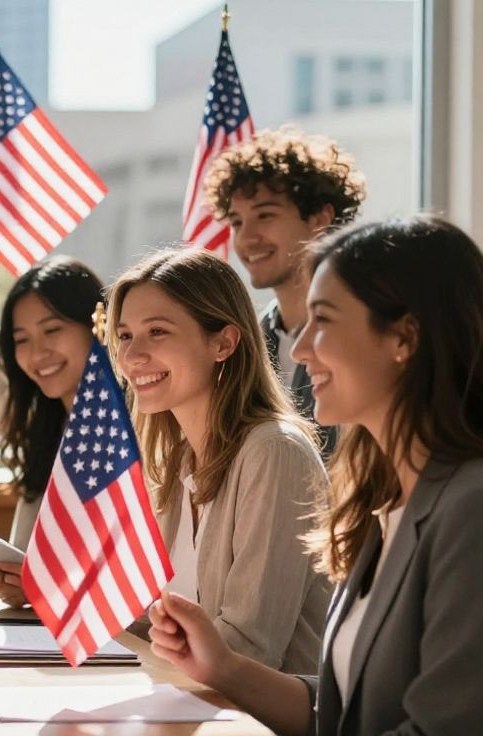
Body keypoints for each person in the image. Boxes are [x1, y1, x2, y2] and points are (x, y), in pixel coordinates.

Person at [149, 217, 483, 735]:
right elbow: (338, 717)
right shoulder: (379, 501)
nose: (299, 349)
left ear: (404, 337)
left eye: (324, 320)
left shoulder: (481, 508)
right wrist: (222, 669)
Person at [109, 247, 330, 674]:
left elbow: (249, 650)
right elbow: (166, 630)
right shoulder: (177, 461)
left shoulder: (274, 452)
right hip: (198, 706)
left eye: (157, 332)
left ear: (224, 343)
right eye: (124, 335)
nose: (132, 356)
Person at [0, 223, 103, 606]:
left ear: (97, 325)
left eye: (52, 330)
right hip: (38, 637)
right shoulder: (44, 423)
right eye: (21, 340)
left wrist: (46, 589)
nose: (37, 354)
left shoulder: (132, 431)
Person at [207, 127, 366, 455]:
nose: (247, 238)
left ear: (320, 218)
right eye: (237, 222)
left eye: (265, 215)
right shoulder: (243, 346)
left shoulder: (363, 336)